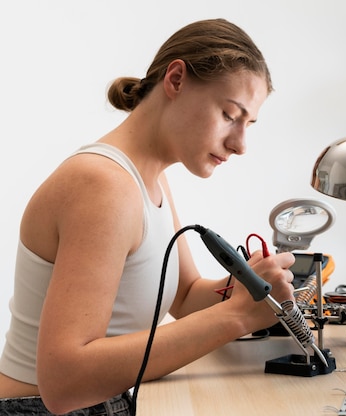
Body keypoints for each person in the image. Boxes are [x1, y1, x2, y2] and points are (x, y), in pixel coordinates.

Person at [0, 18, 295, 415]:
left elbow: (186, 296)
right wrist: (237, 316)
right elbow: (63, 382)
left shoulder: (146, 178)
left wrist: (247, 285)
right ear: (176, 79)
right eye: (229, 114)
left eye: (248, 124)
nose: (241, 144)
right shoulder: (103, 185)